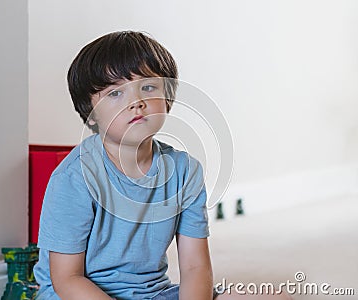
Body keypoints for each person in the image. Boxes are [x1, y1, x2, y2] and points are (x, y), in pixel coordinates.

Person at [34, 31, 291, 300]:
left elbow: (194, 267)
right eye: (115, 93)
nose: (136, 103)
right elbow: (67, 278)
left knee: (275, 297)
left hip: (152, 294)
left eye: (147, 87)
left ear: (167, 98)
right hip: (79, 296)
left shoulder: (184, 171)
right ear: (91, 113)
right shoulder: (75, 177)